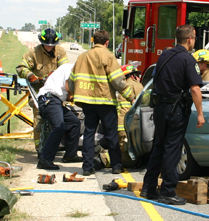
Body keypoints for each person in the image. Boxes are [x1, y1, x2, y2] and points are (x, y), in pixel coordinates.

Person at [141, 24, 205, 205]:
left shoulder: (164, 56)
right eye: (194, 38)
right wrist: (200, 114)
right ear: (190, 38)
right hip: (176, 110)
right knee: (172, 150)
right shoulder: (188, 60)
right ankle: (168, 191)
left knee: (159, 147)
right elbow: (195, 89)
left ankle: (148, 188)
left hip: (160, 108)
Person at [69, 30, 134, 176]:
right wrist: (130, 96)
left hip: (87, 102)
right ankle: (116, 166)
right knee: (111, 134)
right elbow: (117, 81)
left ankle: (87, 167)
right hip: (105, 102)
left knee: (89, 133)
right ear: (107, 42)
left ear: (93, 41)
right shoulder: (108, 56)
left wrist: (74, 95)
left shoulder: (82, 57)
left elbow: (71, 80)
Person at [16, 28, 68, 158]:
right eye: (47, 45)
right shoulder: (34, 53)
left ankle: (53, 146)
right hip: (39, 93)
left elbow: (65, 68)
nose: (49, 48)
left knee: (57, 122)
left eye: (52, 45)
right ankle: (40, 148)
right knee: (39, 120)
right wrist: (30, 75)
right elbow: (20, 68)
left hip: (56, 93)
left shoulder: (60, 52)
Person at [36, 63, 82, 170]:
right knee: (59, 126)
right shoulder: (70, 68)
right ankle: (45, 160)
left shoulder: (73, 71)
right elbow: (68, 87)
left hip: (55, 101)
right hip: (48, 99)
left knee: (74, 122)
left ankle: (70, 155)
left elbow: (69, 96)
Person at [117, 64, 143, 167]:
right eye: (136, 75)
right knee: (127, 152)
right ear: (132, 75)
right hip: (129, 122)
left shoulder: (119, 86)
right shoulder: (136, 85)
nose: (138, 77)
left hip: (119, 122)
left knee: (121, 147)